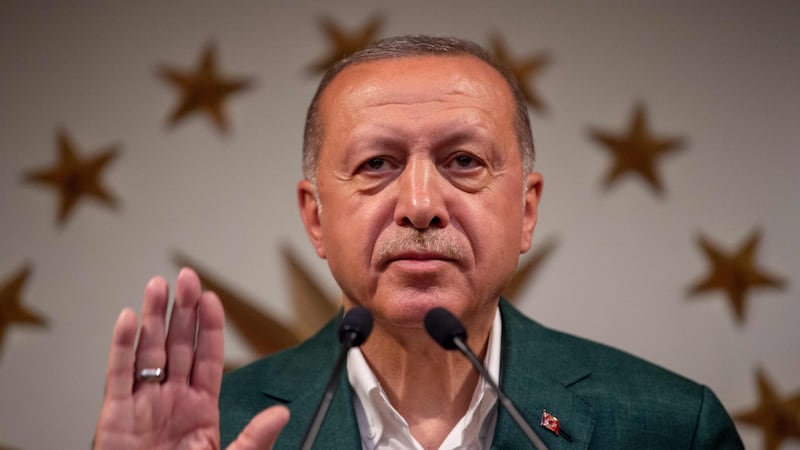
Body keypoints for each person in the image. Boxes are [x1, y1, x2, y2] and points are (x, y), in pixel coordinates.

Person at [94, 35, 744, 449]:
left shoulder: (667, 427)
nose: (423, 205)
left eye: (463, 161)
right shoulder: (217, 427)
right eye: (377, 164)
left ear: (526, 210)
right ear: (315, 219)